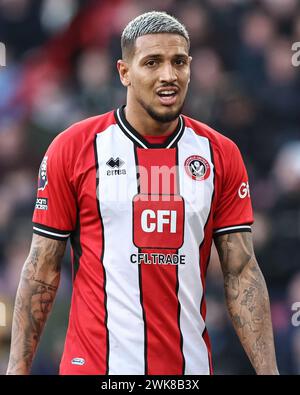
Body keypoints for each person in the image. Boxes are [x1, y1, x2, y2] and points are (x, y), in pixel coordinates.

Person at [6, 11, 278, 375]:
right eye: (152, 62)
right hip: (96, 370)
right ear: (124, 72)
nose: (169, 75)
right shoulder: (72, 149)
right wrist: (16, 370)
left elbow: (241, 271)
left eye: (178, 62)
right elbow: (41, 271)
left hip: (187, 373)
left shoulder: (219, 154)